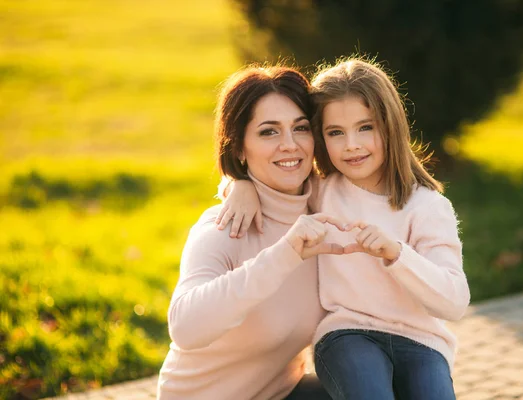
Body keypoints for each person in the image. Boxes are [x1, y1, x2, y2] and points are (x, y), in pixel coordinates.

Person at [217, 58, 471, 399]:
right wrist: (239, 184)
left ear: (391, 127)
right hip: (346, 335)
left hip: (421, 343)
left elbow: (454, 303)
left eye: (366, 127)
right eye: (336, 132)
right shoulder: (322, 190)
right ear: (321, 137)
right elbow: (272, 180)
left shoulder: (428, 207)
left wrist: (396, 254)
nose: (351, 144)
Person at [157, 65, 341, 400]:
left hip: (282, 393)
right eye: (269, 132)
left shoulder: (324, 206)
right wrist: (284, 255)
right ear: (240, 148)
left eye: (300, 128)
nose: (290, 145)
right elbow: (184, 328)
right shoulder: (225, 227)